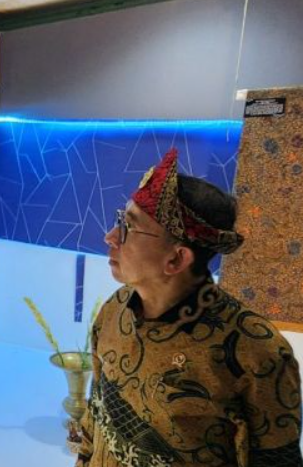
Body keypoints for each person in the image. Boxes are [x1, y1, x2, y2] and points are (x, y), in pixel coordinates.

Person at [76, 148, 303, 467]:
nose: (110, 236)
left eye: (129, 227)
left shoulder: (255, 353)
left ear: (177, 259)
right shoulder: (115, 310)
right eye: (119, 219)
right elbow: (96, 412)